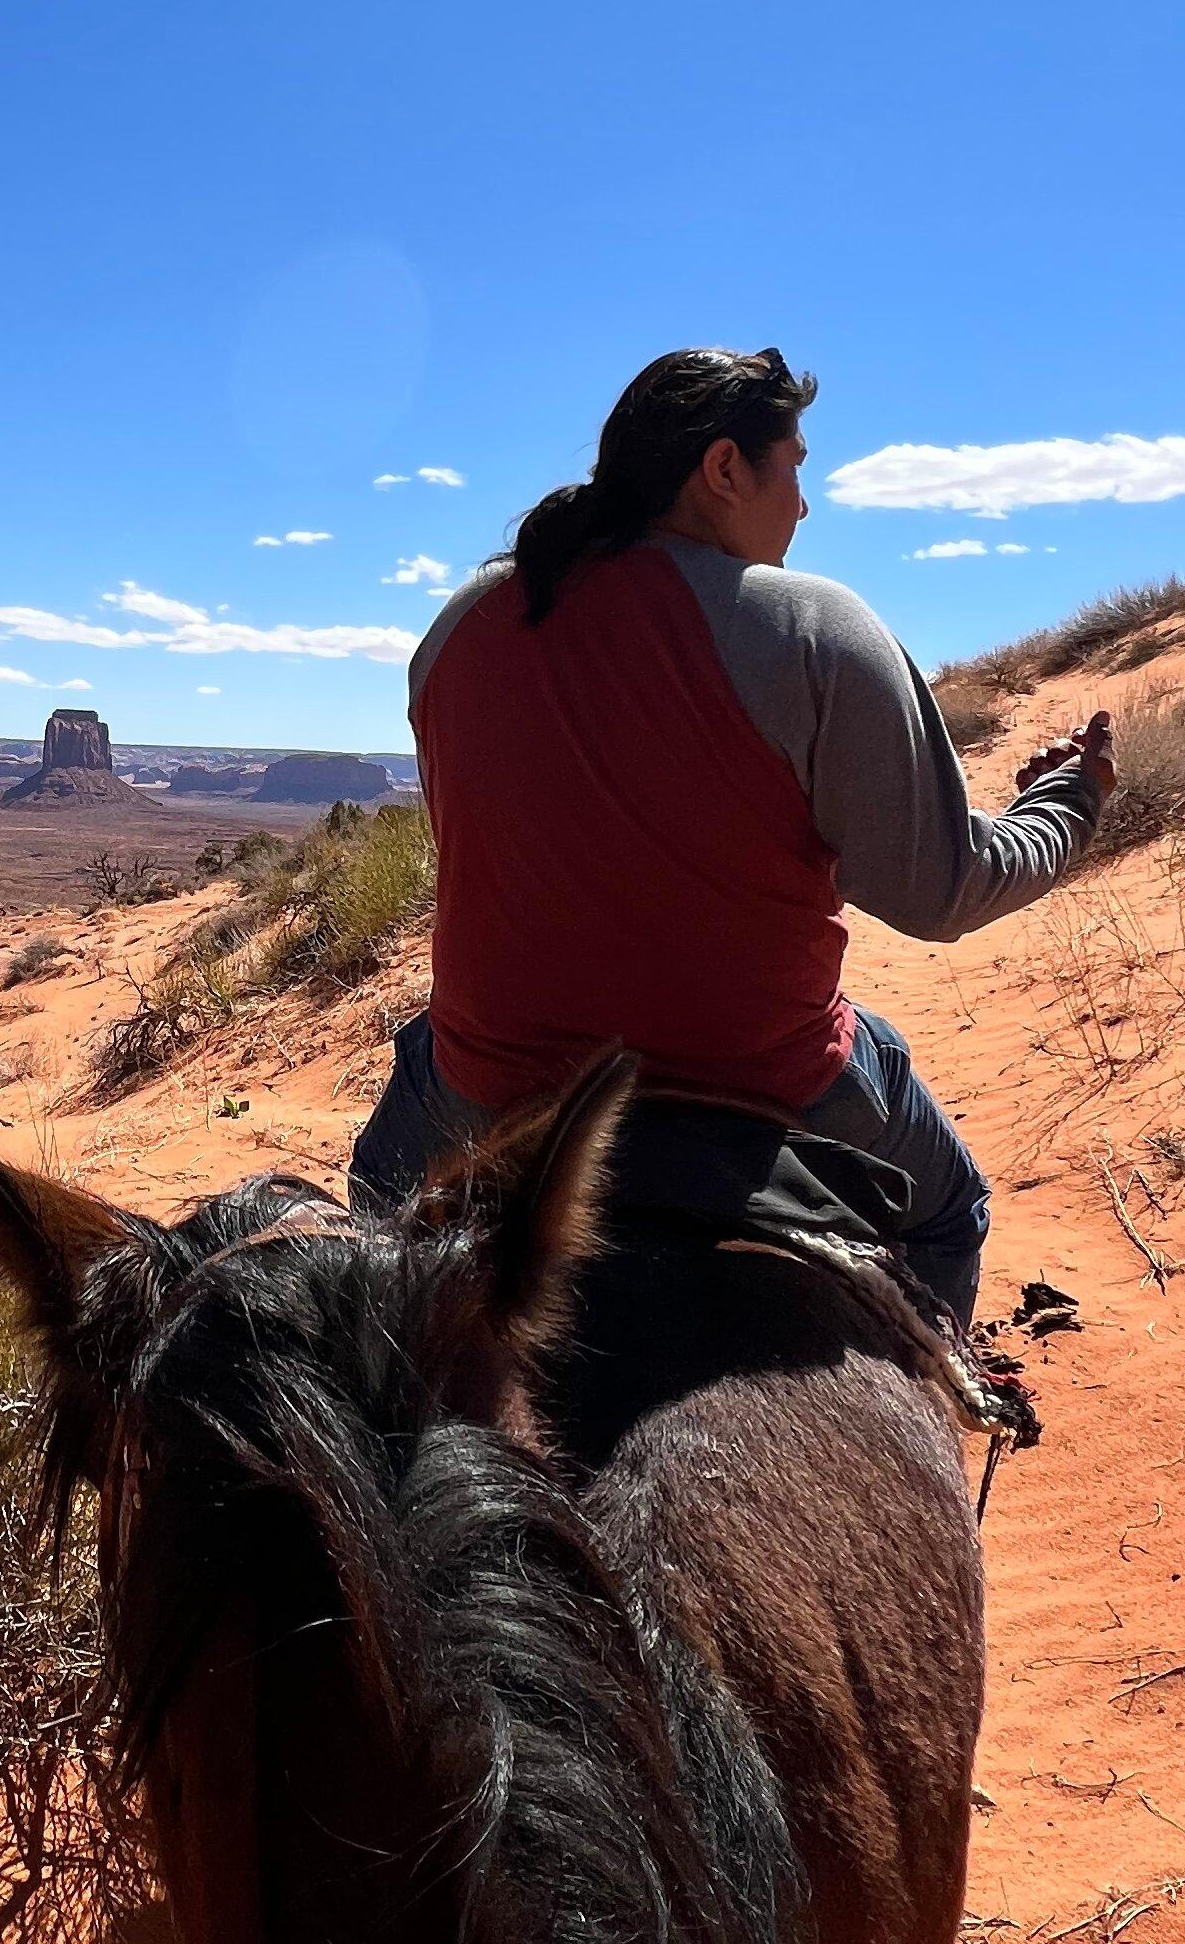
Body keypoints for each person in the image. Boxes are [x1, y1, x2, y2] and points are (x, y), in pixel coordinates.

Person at [350, 345, 1115, 1326]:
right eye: (794, 466)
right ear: (723, 468)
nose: (802, 505)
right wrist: (1068, 808)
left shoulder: (460, 628)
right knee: (948, 1213)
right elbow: (940, 890)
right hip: (765, 1084)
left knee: (379, 1197)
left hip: (490, 1090)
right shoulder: (814, 629)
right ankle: (937, 1406)